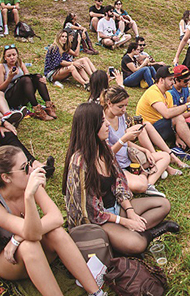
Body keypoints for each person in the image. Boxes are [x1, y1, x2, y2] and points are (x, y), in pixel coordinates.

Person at [0, 146, 128, 296]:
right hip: (10, 263)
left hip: (31, 248)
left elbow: (56, 218)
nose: (31, 170)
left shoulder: (29, 184)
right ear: (6, 177)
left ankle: (96, 295)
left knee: (55, 233)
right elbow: (32, 233)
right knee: (30, 245)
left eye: (29, 163)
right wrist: (29, 200)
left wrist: (16, 239)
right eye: (24, 168)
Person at [63, 103, 177, 256]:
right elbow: (91, 211)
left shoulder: (104, 150)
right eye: (103, 122)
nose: (108, 124)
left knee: (163, 204)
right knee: (136, 244)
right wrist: (123, 221)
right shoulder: (79, 163)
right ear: (91, 126)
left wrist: (130, 211)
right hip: (100, 220)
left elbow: (120, 182)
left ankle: (130, 233)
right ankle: (150, 234)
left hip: (117, 208)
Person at [135, 66, 190, 162]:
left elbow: (173, 117)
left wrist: (178, 137)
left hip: (161, 128)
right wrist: (189, 105)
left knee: (189, 123)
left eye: (173, 79)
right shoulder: (153, 92)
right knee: (183, 120)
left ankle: (178, 148)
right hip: (148, 131)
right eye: (170, 79)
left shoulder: (167, 95)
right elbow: (167, 114)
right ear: (161, 80)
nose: (173, 82)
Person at [101, 86, 171, 195]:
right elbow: (106, 155)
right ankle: (144, 175)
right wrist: (124, 139)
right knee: (139, 186)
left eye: (125, 106)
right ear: (109, 103)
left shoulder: (120, 116)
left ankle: (149, 184)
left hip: (129, 159)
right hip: (116, 166)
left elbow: (126, 142)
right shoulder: (102, 122)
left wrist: (145, 150)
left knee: (165, 156)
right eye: (120, 106)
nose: (124, 110)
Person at [0, 45, 56, 120]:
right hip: (11, 97)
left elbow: (28, 77)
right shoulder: (1, 67)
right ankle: (37, 110)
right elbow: (0, 88)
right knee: (25, 80)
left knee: (38, 77)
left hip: (23, 96)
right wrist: (9, 78)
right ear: (5, 57)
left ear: (17, 55)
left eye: (14, 55)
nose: (12, 57)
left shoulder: (19, 63)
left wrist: (41, 79)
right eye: (9, 56)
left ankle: (49, 105)